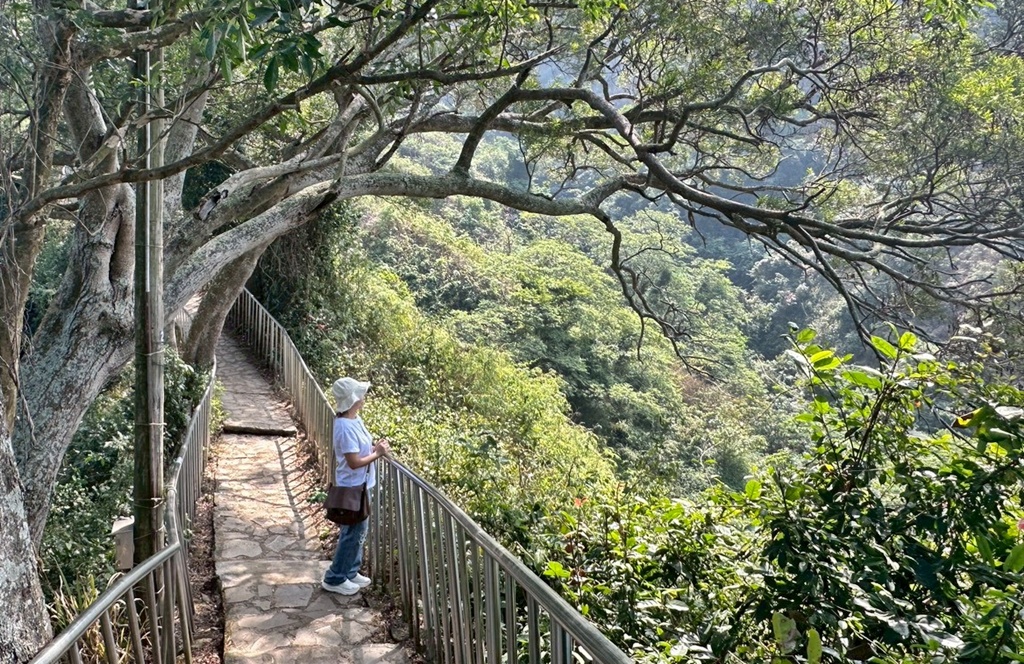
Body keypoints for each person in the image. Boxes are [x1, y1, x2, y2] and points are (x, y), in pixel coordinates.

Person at [321, 376, 390, 595]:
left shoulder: (354, 420)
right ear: (352, 399)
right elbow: (353, 462)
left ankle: (350, 571)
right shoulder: (344, 427)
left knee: (359, 531)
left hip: (361, 485)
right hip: (352, 487)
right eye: (360, 394)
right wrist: (378, 454)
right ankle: (334, 578)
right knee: (352, 533)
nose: (363, 397)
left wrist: (374, 448)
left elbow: (361, 449)